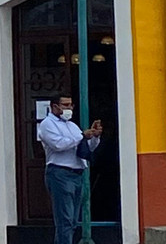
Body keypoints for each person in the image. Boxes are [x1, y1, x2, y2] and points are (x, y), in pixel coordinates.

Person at [38, 95, 102, 244]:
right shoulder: (47, 124)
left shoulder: (72, 126)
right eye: (65, 105)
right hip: (60, 173)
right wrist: (81, 136)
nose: (69, 108)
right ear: (54, 106)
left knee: (72, 220)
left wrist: (94, 137)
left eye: (71, 105)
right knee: (65, 220)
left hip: (77, 174)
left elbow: (84, 149)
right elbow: (58, 145)